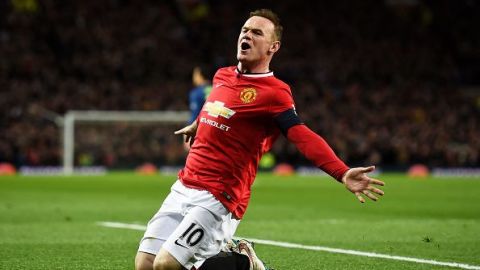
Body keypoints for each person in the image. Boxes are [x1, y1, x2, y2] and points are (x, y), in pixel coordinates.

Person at [135, 8, 385, 270]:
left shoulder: (275, 93)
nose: (247, 35)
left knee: (166, 265)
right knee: (144, 265)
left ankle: (245, 264)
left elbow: (301, 135)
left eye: (257, 33)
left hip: (219, 195)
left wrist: (341, 172)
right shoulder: (223, 75)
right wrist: (198, 125)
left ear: (273, 47)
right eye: (245, 30)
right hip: (185, 184)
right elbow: (216, 105)